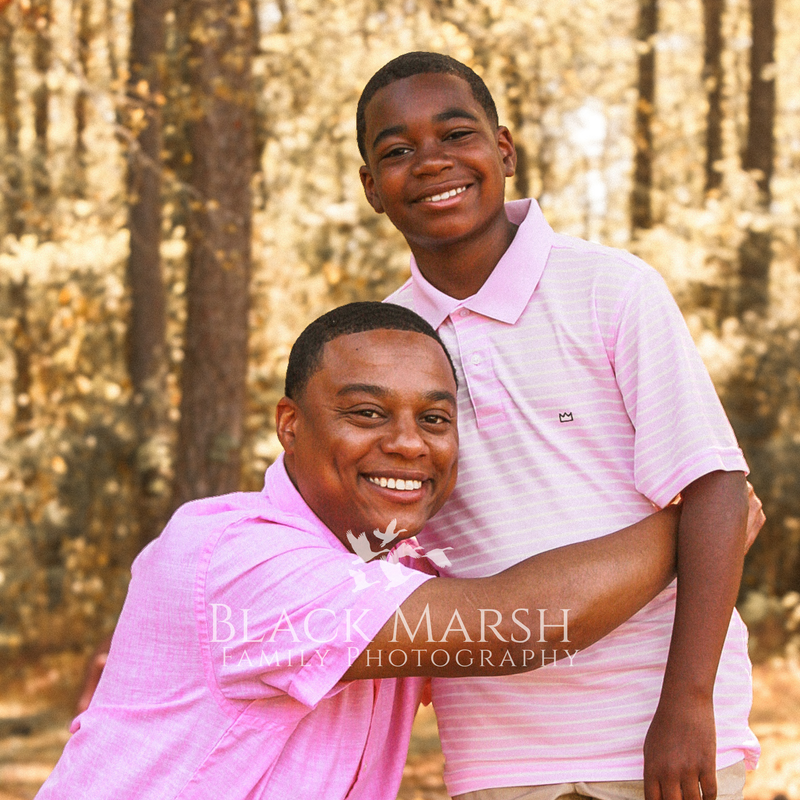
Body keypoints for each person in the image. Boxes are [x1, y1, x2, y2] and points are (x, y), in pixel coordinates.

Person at [37, 302, 689, 799]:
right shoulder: (240, 556)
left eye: (434, 419)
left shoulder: (387, 565)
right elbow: (520, 623)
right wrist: (699, 521)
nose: (409, 443)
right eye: (368, 414)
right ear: (290, 425)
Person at [357, 52, 759, 800]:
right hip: (497, 748)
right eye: (398, 151)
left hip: (653, 729)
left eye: (456, 135)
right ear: (371, 188)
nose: (432, 162)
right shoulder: (380, 343)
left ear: (503, 150)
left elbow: (717, 491)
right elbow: (369, 531)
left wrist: (687, 705)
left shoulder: (611, 288)